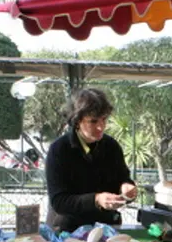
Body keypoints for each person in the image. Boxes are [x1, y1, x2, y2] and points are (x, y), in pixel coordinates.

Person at [45, 88, 137, 232]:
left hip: (106, 229)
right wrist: (96, 199)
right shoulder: (59, 150)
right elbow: (59, 202)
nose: (101, 126)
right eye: (93, 121)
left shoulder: (112, 146)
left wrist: (126, 187)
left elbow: (123, 178)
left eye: (104, 119)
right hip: (67, 232)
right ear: (77, 121)